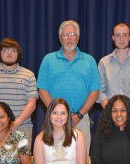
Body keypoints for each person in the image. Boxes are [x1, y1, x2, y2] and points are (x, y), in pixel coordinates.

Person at [37, 20, 101, 155]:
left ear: (78, 38)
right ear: (60, 38)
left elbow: (94, 92)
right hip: (54, 120)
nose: (69, 38)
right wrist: (57, 113)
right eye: (65, 35)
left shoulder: (89, 60)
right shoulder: (48, 60)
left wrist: (79, 115)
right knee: (52, 158)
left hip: (81, 119)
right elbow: (42, 90)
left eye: (73, 34)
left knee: (81, 160)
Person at [0, 37, 39, 148]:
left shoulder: (29, 75)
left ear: (18, 54)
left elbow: (32, 104)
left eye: (13, 50)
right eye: (5, 50)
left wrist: (16, 123)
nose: (9, 53)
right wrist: (2, 123)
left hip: (22, 126)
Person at [98, 22, 130, 115]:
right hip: (109, 115)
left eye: (125, 35)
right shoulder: (103, 62)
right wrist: (113, 113)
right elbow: (100, 91)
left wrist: (128, 113)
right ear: (113, 38)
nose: (121, 39)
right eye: (118, 35)